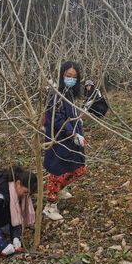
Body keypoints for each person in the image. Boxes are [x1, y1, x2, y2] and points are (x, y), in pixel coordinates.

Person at [43, 61, 88, 221]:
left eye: (74, 77)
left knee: (79, 168)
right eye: (68, 76)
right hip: (59, 140)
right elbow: (56, 119)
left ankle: (60, 189)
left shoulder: (69, 93)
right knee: (58, 172)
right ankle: (50, 206)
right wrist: (72, 133)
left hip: (72, 139)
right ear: (62, 75)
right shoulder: (54, 94)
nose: (71, 79)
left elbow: (71, 115)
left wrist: (78, 129)